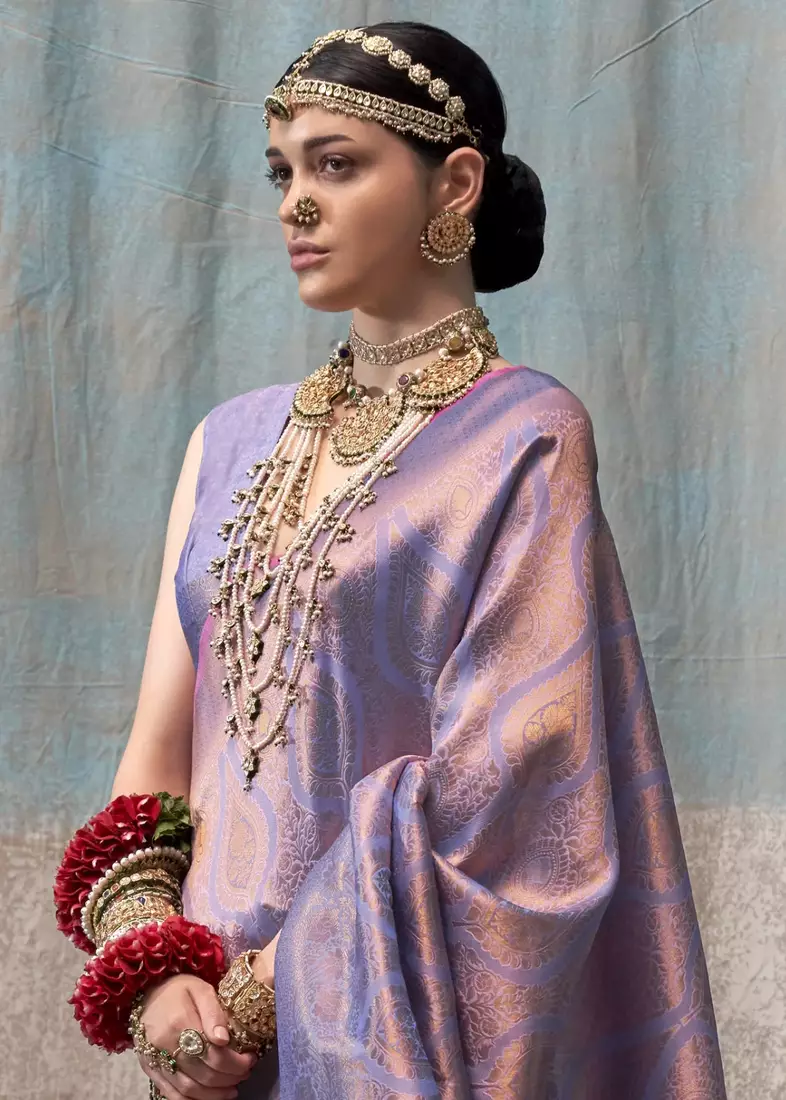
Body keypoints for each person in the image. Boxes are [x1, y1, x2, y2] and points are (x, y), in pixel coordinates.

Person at [105, 20, 726, 1100]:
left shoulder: (525, 437)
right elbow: (154, 761)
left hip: (393, 1035)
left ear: (457, 183)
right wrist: (154, 975)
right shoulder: (226, 443)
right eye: (283, 172)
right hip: (197, 1043)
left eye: (337, 165)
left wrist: (246, 1003)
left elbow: (506, 804)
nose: (295, 204)